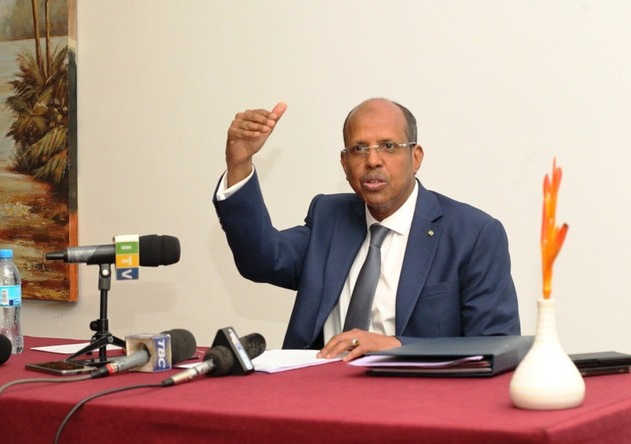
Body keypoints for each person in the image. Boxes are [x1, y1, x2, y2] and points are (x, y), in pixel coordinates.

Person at [212, 98, 520, 362]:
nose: (372, 160)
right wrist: (240, 163)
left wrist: (398, 346)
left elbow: (496, 344)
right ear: (344, 163)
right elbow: (261, 260)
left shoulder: (473, 234)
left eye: (388, 146)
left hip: (414, 399)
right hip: (319, 390)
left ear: (415, 158)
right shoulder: (329, 217)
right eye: (359, 149)